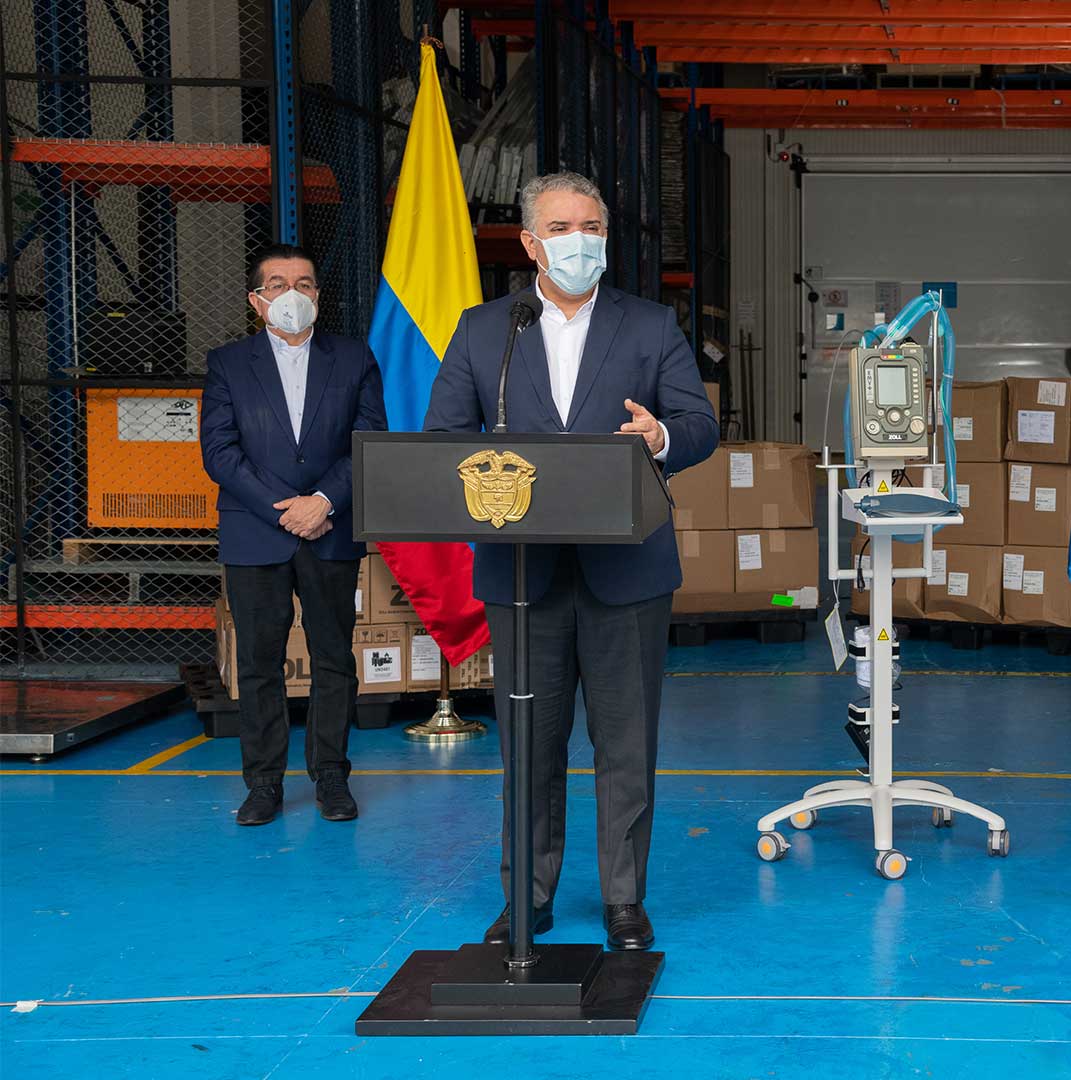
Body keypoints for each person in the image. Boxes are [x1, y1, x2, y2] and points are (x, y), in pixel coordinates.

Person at [423, 172, 719, 951]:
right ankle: (529, 896)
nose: (579, 240)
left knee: (627, 746)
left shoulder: (651, 325)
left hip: (628, 573)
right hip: (524, 576)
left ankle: (625, 900)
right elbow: (442, 433)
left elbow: (700, 425)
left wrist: (659, 437)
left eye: (591, 226)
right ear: (528, 243)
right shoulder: (487, 329)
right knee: (530, 743)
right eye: (560, 228)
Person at [201, 243, 387, 826]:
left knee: (334, 656)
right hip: (258, 532)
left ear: (317, 297)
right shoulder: (228, 363)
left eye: (304, 284)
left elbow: (368, 440)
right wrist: (286, 509)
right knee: (258, 662)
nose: (292, 295)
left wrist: (324, 501)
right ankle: (263, 784)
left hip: (330, 528)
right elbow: (219, 451)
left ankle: (331, 776)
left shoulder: (355, 359)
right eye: (278, 285)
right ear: (257, 301)